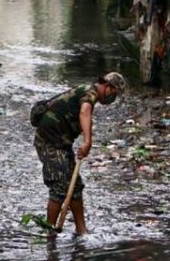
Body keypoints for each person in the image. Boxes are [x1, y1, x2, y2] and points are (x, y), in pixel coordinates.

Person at [32, 73, 126, 235]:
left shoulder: (89, 93)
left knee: (75, 186)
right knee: (59, 186)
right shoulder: (90, 93)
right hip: (49, 142)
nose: (113, 98)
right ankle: (48, 232)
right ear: (108, 86)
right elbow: (84, 112)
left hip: (62, 143)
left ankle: (81, 230)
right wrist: (87, 141)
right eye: (114, 93)